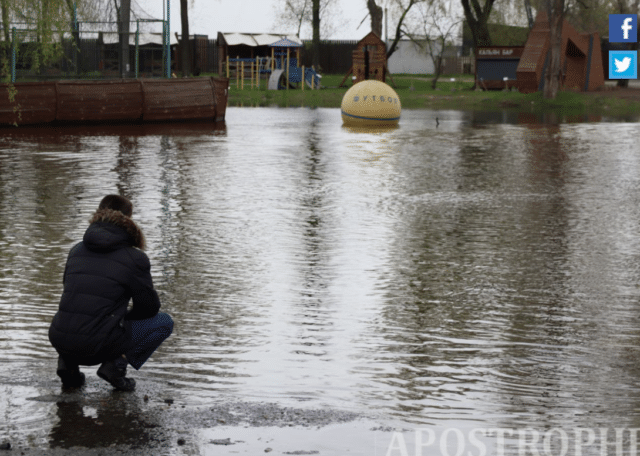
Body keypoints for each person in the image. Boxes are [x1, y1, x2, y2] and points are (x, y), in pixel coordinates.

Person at [49, 194, 174, 391]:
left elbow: (70, 294)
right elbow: (149, 308)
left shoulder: (76, 250)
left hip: (60, 338)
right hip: (98, 346)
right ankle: (115, 366)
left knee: (79, 312)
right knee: (163, 322)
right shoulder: (135, 258)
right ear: (128, 219)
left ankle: (67, 366)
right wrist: (122, 319)